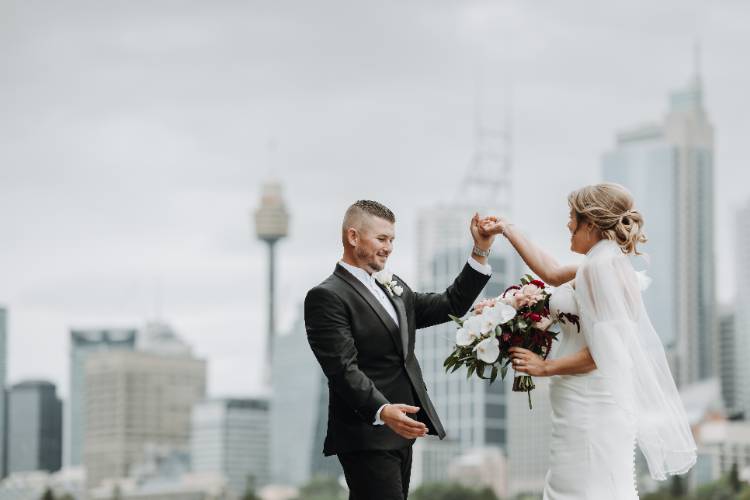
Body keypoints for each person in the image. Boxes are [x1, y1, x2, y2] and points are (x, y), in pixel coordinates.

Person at [480, 183, 696, 499]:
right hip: (580, 404)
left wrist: (545, 367)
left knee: (585, 490)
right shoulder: (601, 264)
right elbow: (551, 273)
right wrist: (506, 229)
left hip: (590, 407)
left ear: (590, 224)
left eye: (572, 217)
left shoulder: (599, 268)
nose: (568, 225)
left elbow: (607, 353)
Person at [304, 200, 495, 500]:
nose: (389, 247)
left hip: (402, 432)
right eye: (382, 238)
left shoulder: (393, 286)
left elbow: (450, 304)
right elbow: (342, 369)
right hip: (366, 432)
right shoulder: (326, 297)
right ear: (353, 237)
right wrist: (382, 410)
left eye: (392, 239)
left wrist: (480, 251)